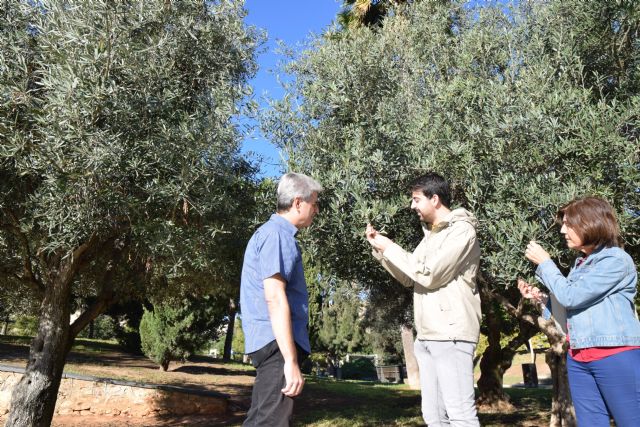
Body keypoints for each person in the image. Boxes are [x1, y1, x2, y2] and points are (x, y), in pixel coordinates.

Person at [366, 172, 481, 427]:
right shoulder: (431, 236)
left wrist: (390, 248)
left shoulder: (462, 232)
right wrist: (381, 251)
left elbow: (428, 275)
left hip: (451, 335)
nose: (412, 205)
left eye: (416, 199)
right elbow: (410, 278)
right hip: (428, 336)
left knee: (460, 415)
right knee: (434, 417)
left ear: (435, 199)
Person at [519, 196, 640, 427]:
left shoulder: (616, 260)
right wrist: (541, 299)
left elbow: (571, 296)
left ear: (591, 223)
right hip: (579, 357)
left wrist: (545, 262)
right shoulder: (580, 263)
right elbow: (573, 307)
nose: (563, 230)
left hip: (615, 354)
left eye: (569, 224)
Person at [240, 172, 322, 427]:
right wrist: (290, 360)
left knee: (260, 419)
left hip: (272, 342)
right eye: (314, 203)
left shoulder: (272, 234)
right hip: (277, 345)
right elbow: (275, 298)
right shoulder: (277, 235)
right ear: (298, 203)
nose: (316, 210)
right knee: (271, 422)